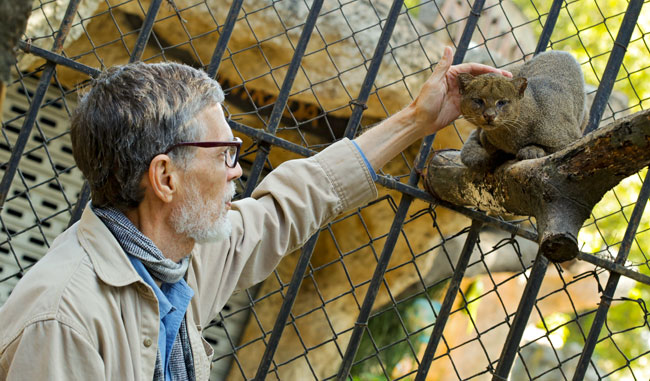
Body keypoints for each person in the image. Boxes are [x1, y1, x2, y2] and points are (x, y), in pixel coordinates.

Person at [0, 47, 510, 380]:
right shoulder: (63, 320)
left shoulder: (172, 262)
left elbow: (298, 197)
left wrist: (416, 120)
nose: (237, 171)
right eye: (224, 153)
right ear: (165, 178)